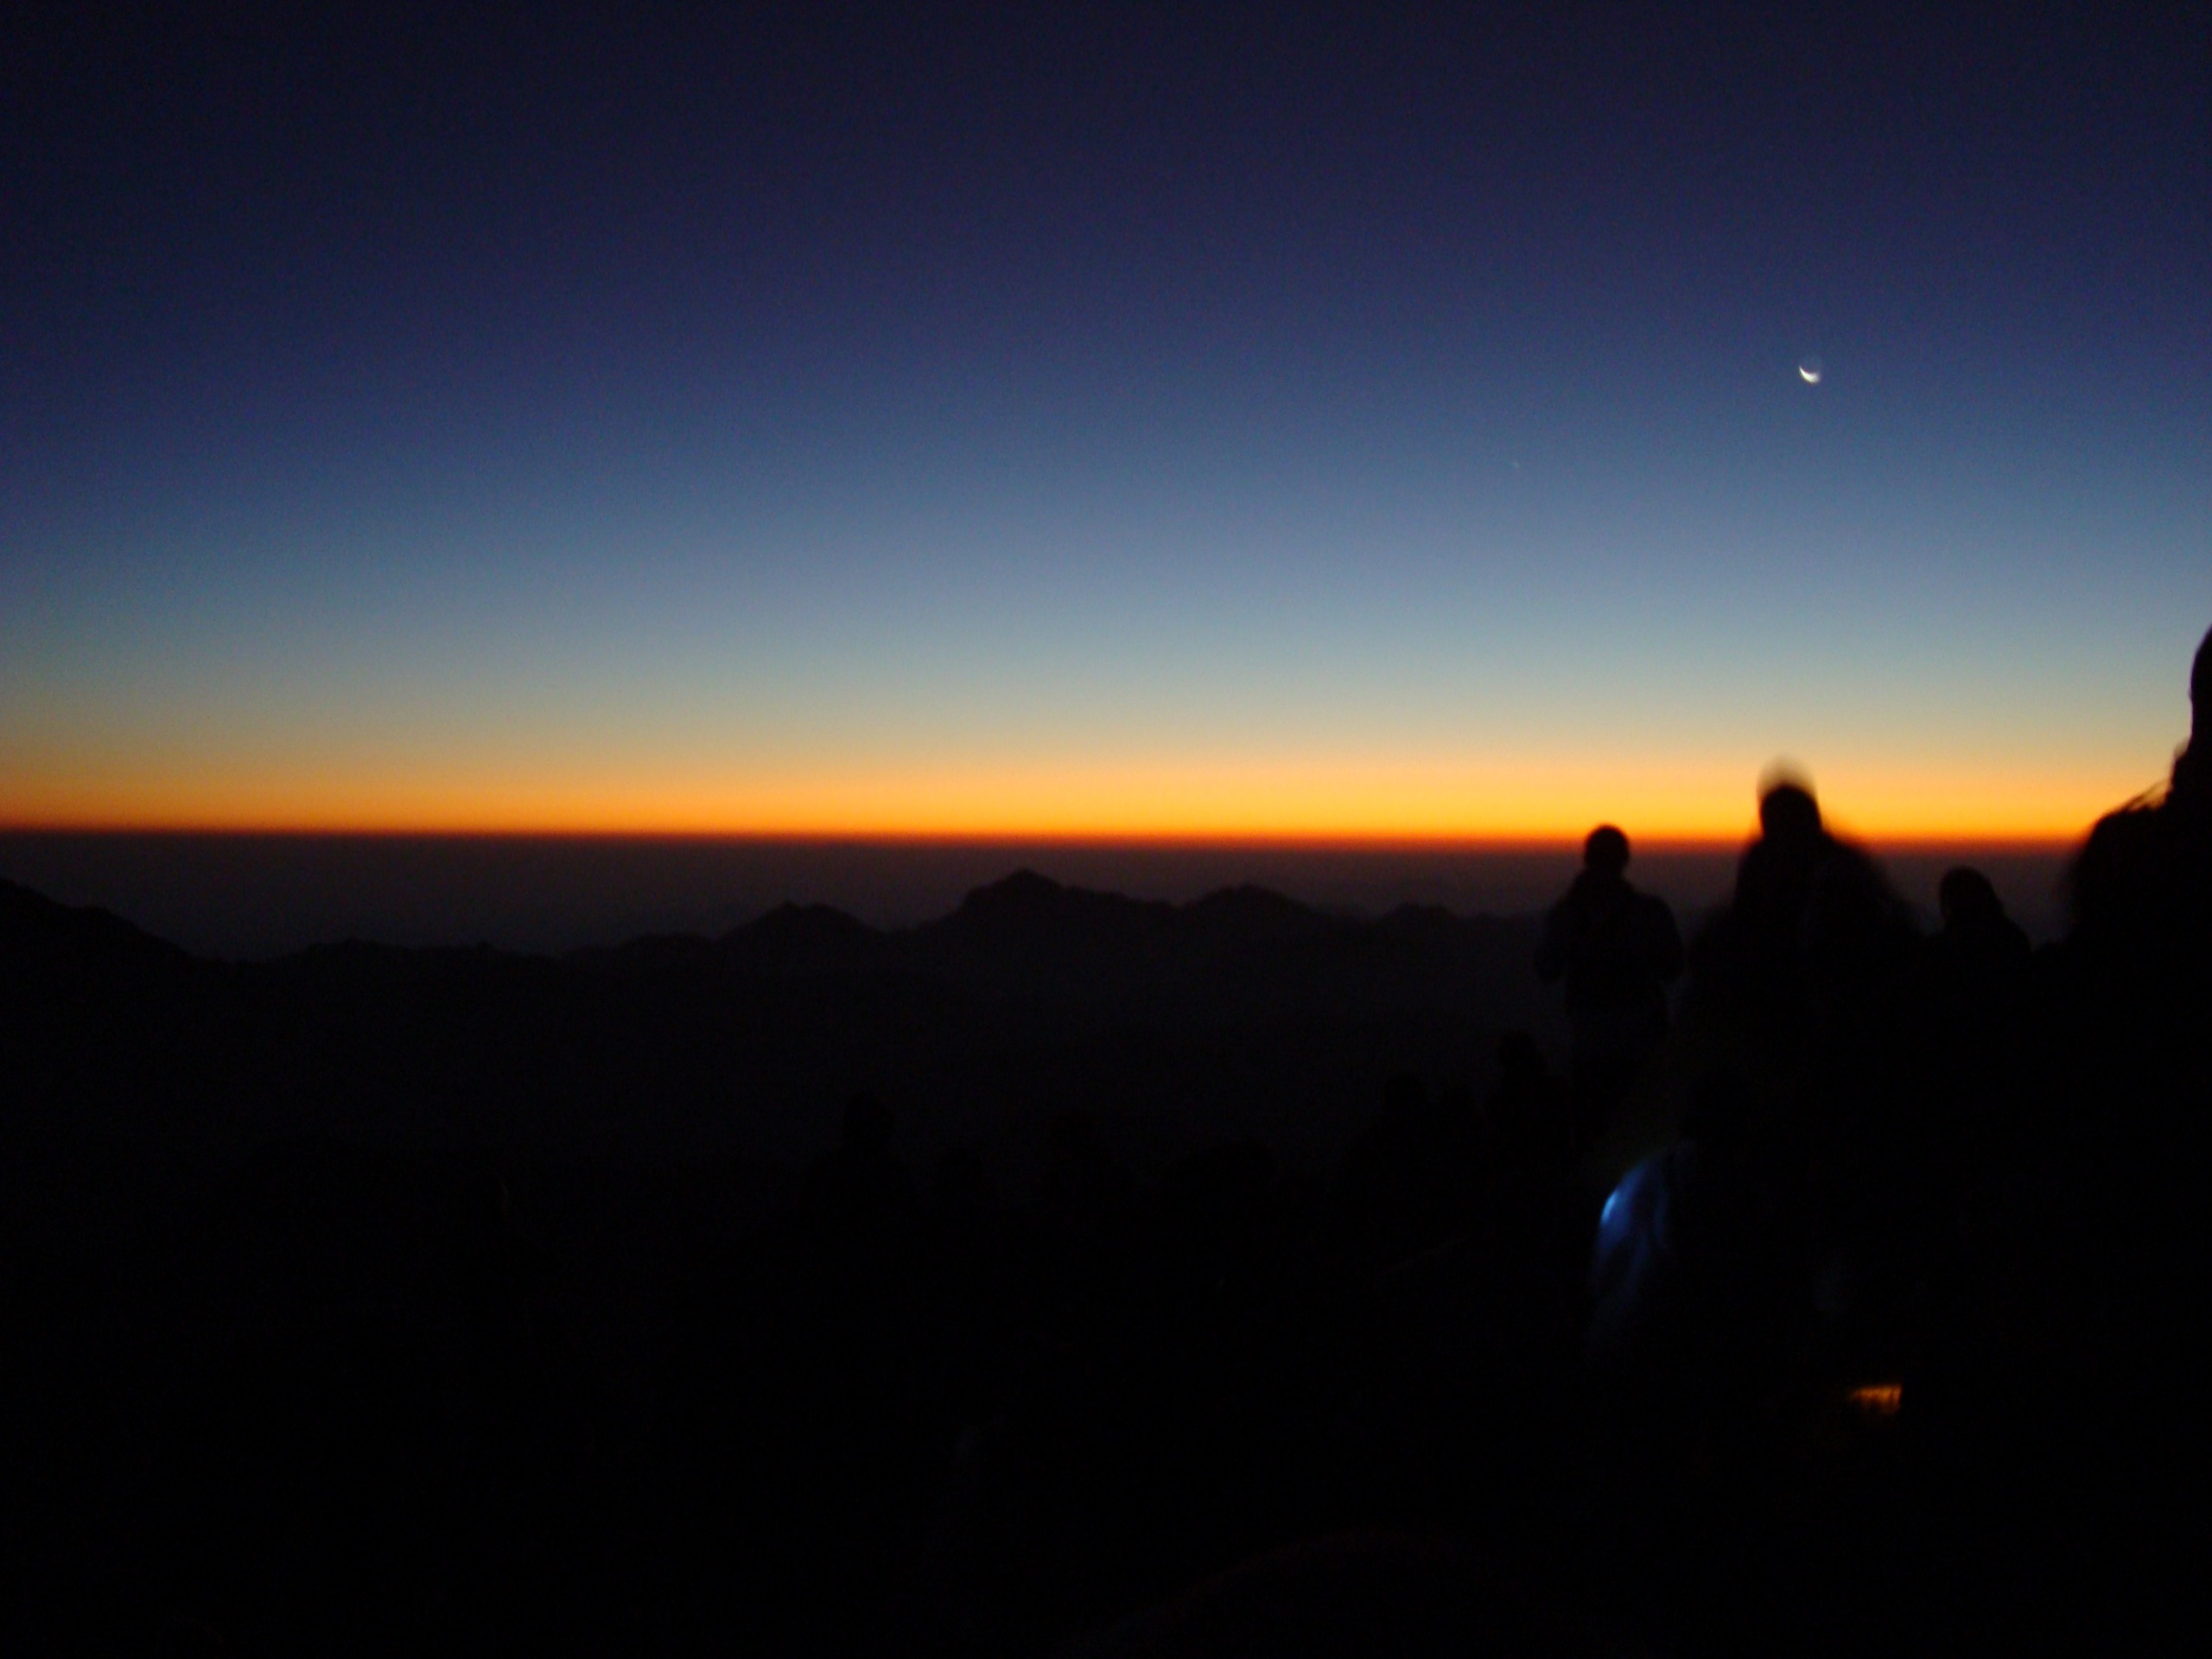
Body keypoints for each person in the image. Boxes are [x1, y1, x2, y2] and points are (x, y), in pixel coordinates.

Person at [1535, 824, 1683, 1142]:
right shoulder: (1650, 913)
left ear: (1586, 859)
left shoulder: (1566, 916)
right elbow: (1673, 968)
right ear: (1624, 860)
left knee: (1594, 1136)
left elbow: (1546, 969)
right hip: (1644, 1045)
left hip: (1591, 1046)